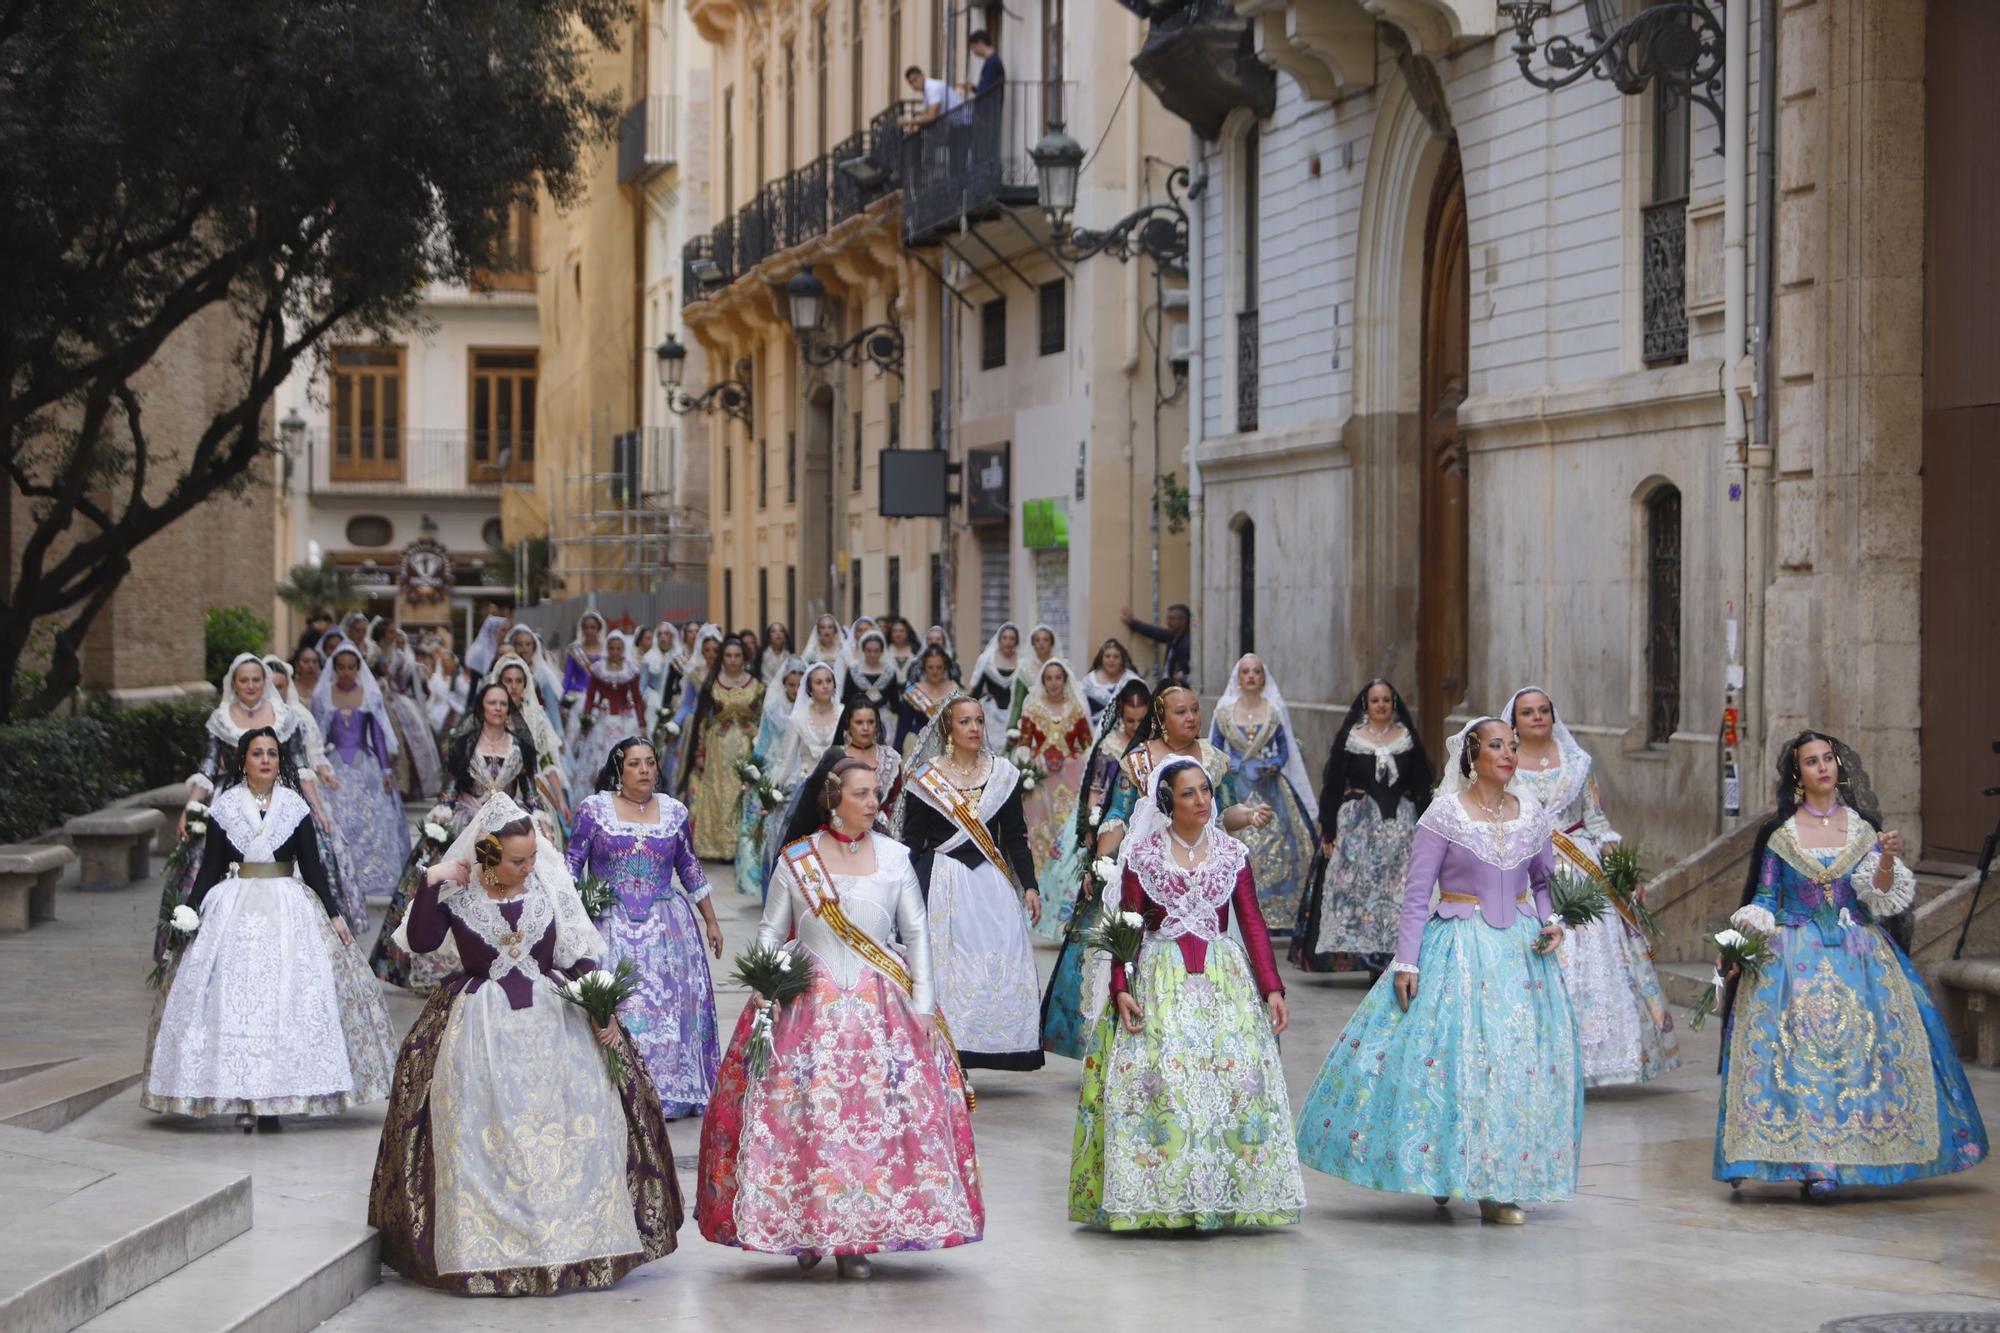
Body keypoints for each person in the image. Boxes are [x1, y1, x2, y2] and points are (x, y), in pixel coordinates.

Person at [367, 795, 682, 1294]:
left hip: (554, 1022)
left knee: (578, 1122)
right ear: (489, 856)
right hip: (479, 1027)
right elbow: (422, 942)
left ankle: (576, 1245)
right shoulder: (459, 895)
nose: (531, 866)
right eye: (519, 860)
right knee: (484, 1130)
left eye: (533, 855)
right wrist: (431, 879)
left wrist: (604, 1009)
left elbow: (577, 957)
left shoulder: (547, 889)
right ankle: (490, 1249)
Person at [697, 757, 982, 1279]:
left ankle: (857, 1240)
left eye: (876, 793)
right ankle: (805, 1226)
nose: (875, 802)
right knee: (804, 1120)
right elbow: (769, 930)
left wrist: (922, 1008)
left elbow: (916, 934)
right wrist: (764, 991)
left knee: (875, 1123)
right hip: (807, 1006)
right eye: (863, 794)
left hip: (882, 1006)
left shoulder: (896, 857)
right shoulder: (796, 860)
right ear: (834, 801)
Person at [1294, 717, 1579, 1225]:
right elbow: (1415, 894)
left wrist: (1552, 920)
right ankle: (1445, 1166)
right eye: (1497, 745)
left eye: (1513, 746)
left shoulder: (1529, 814)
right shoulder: (1444, 815)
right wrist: (1407, 960)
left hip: (1518, 955)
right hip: (1458, 947)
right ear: (1472, 756)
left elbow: (1541, 883)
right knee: (1453, 1062)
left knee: (1511, 1067)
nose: (1509, 753)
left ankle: (1497, 1185)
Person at [1714, 730, 1987, 1199]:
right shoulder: (1780, 836)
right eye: (1811, 762)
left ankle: (1856, 1156)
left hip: (1858, 954)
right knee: (1796, 1060)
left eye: (1828, 758)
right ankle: (1811, 1163)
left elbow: (1878, 895)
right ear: (1797, 775)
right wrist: (1736, 944)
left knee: (1867, 1058)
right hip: (1792, 959)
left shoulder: (1862, 828)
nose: (1823, 767)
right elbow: (1763, 898)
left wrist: (1886, 859)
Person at [1069, 758, 1304, 1231]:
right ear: (1167, 803)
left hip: (1223, 981)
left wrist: (1272, 988)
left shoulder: (1232, 854)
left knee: (1232, 1085)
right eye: (1188, 794)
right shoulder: (1144, 857)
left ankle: (1227, 1193)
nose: (1202, 801)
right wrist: (1120, 987)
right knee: (1164, 1089)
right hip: (1160, 979)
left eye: (1205, 791)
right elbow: (1127, 929)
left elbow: (1253, 924)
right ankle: (1164, 1198)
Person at [142, 729, 396, 1132]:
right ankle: (243, 1095)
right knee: (235, 1000)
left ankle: (278, 1096)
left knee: (287, 997)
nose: (265, 760)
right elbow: (209, 868)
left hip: (288, 906)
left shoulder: (295, 807)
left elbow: (313, 869)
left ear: (280, 761)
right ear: (242, 760)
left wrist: (333, 914)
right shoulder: (225, 807)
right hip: (234, 906)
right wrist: (188, 913)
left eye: (272, 754)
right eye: (257, 753)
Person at [1506, 685, 1681, 1088]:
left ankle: (1597, 1058)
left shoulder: (1579, 763)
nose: (1537, 717)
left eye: (1544, 710)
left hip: (1580, 868)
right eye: (1527, 712)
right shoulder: (1505, 762)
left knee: (1595, 959)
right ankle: (1538, 1058)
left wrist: (1622, 869)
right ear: (1513, 722)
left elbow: (1596, 819)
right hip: (1525, 870)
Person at [568, 738, 722, 1119]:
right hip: (609, 927)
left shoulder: (673, 812)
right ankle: (617, 1085)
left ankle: (669, 1088)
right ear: (619, 770)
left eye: (650, 763)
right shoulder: (595, 810)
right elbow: (572, 864)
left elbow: (689, 868)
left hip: (667, 930)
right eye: (635, 764)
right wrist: (565, 915)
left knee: (670, 1008)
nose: (645, 770)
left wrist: (712, 920)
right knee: (620, 1005)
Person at [896, 695, 1044, 1071]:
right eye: (965, 722)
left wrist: (1028, 885)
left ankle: (989, 1045)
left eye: (979, 720)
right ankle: (946, 1049)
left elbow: (1015, 837)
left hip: (991, 885)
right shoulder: (925, 778)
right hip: (942, 881)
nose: (975, 728)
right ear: (949, 729)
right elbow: (911, 842)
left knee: (993, 966)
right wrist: (899, 890)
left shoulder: (1003, 775)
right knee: (946, 967)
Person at [372, 681, 545, 992]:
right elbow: (452, 786)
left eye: (503, 704)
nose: (497, 708)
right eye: (492, 702)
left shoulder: (519, 746)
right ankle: (445, 960)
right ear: (481, 707)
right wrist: (443, 811)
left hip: (508, 826)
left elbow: (529, 790)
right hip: (468, 822)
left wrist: (539, 816)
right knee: (453, 886)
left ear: (509, 710)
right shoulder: (466, 744)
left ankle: (513, 952)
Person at [1041, 679, 1153, 1058]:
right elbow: (1096, 790)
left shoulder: (1152, 753)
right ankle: (1085, 1031)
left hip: (1144, 847)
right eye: (1129, 719)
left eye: (1142, 719)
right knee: (1097, 939)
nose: (1135, 726)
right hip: (1110, 837)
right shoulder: (1109, 747)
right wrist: (1092, 830)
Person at [1292, 679, 1432, 976]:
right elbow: (1333, 784)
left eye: (1386, 700)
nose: (1381, 705)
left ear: (1393, 704)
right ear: (1365, 706)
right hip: (1359, 828)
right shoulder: (1353, 738)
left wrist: (1426, 824)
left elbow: (1421, 784)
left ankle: (1393, 956)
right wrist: (1329, 827)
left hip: (1400, 828)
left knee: (1398, 890)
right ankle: (1364, 959)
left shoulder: (1406, 737)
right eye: (1375, 700)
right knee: (1357, 890)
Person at [1209, 654, 1319, 936]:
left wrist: (1275, 764)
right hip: (1237, 787)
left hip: (1269, 786)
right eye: (1245, 671)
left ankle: (1279, 912)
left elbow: (1285, 748)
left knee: (1282, 844)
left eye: (1256, 671)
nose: (1251, 676)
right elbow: (1215, 748)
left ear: (1263, 677)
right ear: (1238, 677)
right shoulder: (1224, 714)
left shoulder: (1272, 711)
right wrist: (1227, 765)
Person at [311, 645, 413, 904]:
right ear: (334, 669)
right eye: (341, 667)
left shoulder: (369, 695)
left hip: (363, 764)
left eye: (351, 667)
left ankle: (367, 874)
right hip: (333, 765)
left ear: (358, 669)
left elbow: (377, 736)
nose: (346, 672)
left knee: (369, 821)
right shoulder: (323, 695)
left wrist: (386, 769)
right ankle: (338, 877)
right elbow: (316, 735)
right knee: (337, 819)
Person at [677, 635, 765, 861]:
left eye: (737, 655)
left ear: (744, 657)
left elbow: (763, 719)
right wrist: (699, 752)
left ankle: (741, 848)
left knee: (743, 792)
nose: (733, 660)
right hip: (718, 747)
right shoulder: (713, 684)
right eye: (728, 655)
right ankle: (717, 847)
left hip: (746, 745)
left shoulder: (756, 685)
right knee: (717, 793)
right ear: (722, 658)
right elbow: (702, 721)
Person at [1016, 657, 1093, 905]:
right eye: (1048, 678)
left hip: (1070, 783)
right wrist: (1029, 768)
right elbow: (1024, 745)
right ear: (1043, 680)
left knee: (1067, 834)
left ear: (1065, 679)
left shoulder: (1076, 709)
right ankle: (1040, 895)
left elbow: (1087, 744)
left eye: (1058, 677)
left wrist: (1074, 762)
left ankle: (1068, 894)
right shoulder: (1033, 709)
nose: (1053, 683)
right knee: (1040, 835)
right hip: (1040, 785)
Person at [735, 657, 805, 898]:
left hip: (800, 769)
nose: (795, 690)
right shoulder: (774, 707)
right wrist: (752, 770)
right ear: (784, 684)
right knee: (762, 828)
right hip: (774, 770)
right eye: (791, 685)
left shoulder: (808, 708)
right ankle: (760, 881)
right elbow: (764, 740)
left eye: (800, 685)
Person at [566, 630, 649, 783]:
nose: (615, 652)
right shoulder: (598, 669)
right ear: (607, 649)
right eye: (612, 648)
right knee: (597, 755)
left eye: (618, 648)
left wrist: (642, 723)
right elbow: (590, 695)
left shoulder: (631, 670)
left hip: (624, 721)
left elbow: (637, 698)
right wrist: (587, 717)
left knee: (627, 754)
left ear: (623, 649)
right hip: (602, 720)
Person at [898, 644, 958, 757]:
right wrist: (897, 751)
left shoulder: (955, 690)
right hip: (919, 746)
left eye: (939, 667)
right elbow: (904, 725)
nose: (935, 671)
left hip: (948, 746)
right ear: (924, 668)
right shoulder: (914, 692)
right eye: (930, 667)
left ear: (945, 667)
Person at [968, 622, 1020, 741]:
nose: (1008, 642)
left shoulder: (1022, 665)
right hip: (990, 714)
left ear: (1016, 642)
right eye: (1005, 638)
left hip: (1014, 715)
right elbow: (976, 690)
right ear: (999, 639)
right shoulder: (987, 661)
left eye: (1012, 639)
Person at [1121, 603, 1191, 687]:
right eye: (1168, 619)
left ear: (1183, 621)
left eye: (1171, 619)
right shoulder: (1173, 636)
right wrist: (1132, 623)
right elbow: (1154, 632)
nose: (1168, 622)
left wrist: (1181, 676)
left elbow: (1187, 672)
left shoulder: (1186, 645)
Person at [1006, 623, 1060, 729]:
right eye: (1038, 640)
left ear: (1051, 643)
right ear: (1033, 644)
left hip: (1056, 718)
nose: (1041, 644)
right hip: (1031, 719)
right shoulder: (1025, 670)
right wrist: (1013, 727)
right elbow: (1018, 701)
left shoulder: (1060, 667)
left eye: (1045, 640)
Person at [560, 610, 608, 725]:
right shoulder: (574, 650)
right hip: (578, 696)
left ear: (599, 629)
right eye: (586, 627)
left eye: (593, 627)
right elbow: (568, 678)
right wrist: (562, 702)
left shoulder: (606, 650)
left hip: (600, 698)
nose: (589, 631)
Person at [840, 628, 903, 717]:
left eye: (876, 651)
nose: (872, 654)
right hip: (857, 717)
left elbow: (895, 702)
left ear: (881, 651)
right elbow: (846, 699)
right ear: (863, 650)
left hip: (883, 719)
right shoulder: (853, 671)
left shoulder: (890, 673)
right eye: (869, 651)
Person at [1080, 639, 1142, 720]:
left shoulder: (1132, 680)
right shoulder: (1089, 681)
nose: (1111, 660)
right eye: (1107, 656)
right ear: (1101, 659)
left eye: (1116, 657)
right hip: (1093, 729)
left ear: (1122, 660)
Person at [464, 612, 509, 680]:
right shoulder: (478, 651)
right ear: (494, 630)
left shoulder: (506, 647)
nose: (506, 633)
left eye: (507, 630)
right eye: (503, 630)